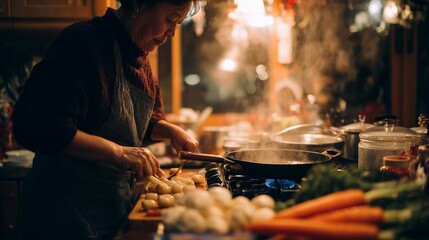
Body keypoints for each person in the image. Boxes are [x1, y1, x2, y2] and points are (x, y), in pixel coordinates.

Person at [12, 0, 200, 239]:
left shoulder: (139, 57)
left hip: (110, 214)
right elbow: (36, 124)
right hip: (61, 218)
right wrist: (120, 153)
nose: (173, 33)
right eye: (170, 20)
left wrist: (170, 130)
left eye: (179, 23)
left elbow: (139, 122)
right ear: (140, 4)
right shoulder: (82, 44)